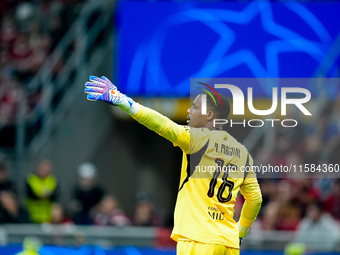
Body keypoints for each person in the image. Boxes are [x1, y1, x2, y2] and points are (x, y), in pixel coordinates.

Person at [84, 76, 262, 254]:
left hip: (198, 239)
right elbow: (255, 199)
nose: (189, 111)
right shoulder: (242, 153)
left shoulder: (198, 138)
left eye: (195, 107)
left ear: (209, 115)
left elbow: (163, 125)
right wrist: (242, 229)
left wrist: (120, 99)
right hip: (228, 243)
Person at [25, 159, 58, 223]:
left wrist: (41, 195)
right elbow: (31, 194)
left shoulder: (52, 180)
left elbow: (55, 196)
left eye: (47, 169)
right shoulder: (31, 179)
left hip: (48, 217)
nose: (45, 171)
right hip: (32, 215)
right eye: (43, 168)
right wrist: (44, 195)